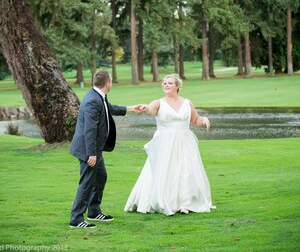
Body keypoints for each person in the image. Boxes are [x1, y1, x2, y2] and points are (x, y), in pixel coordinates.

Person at [124, 74, 214, 216]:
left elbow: (195, 120)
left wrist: (204, 120)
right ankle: (166, 201)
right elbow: (150, 110)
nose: (166, 85)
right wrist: (145, 108)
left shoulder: (187, 103)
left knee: (186, 170)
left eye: (170, 83)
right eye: (164, 83)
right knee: (165, 170)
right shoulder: (158, 102)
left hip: (185, 140)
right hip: (165, 142)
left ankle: (185, 203)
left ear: (177, 86)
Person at [69, 70, 142, 229]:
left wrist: (130, 108)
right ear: (107, 83)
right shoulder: (93, 101)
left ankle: (94, 211)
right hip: (88, 150)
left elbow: (110, 109)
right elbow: (89, 130)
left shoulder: (98, 96)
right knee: (86, 182)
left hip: (95, 149)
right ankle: (76, 219)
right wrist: (92, 154)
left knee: (100, 177)